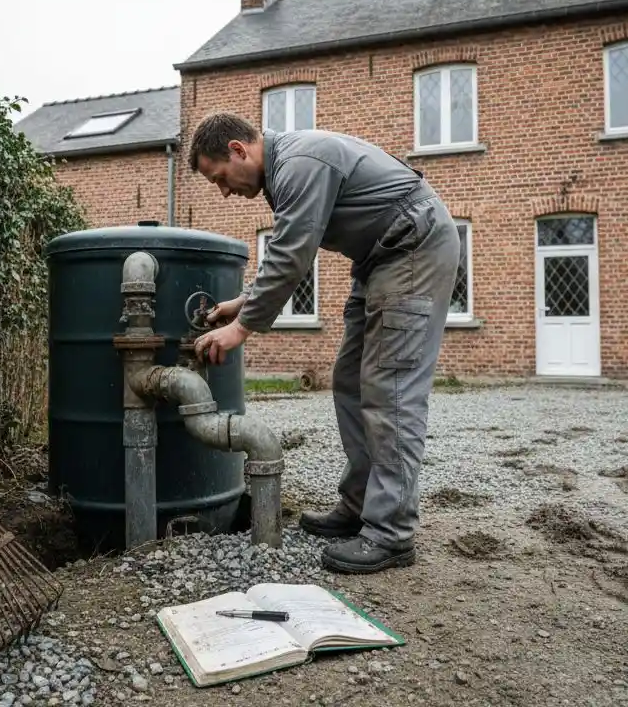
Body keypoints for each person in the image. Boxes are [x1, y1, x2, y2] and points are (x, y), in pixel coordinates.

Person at [187, 111, 460, 575]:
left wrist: (241, 328)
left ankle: (391, 534)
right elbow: (290, 246)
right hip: (377, 260)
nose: (225, 191)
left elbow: (293, 253)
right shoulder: (284, 170)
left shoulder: (298, 162)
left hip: (413, 249)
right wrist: (243, 300)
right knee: (351, 383)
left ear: (238, 150)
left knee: (391, 391)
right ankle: (360, 507)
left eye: (220, 178)